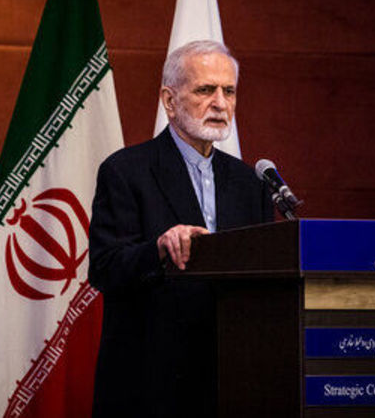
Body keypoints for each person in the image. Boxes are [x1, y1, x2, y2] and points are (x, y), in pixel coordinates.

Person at [88, 39, 274, 418]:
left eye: (229, 91)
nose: (220, 103)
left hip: (230, 382)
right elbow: (104, 269)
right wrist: (158, 248)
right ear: (169, 101)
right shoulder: (125, 171)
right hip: (150, 384)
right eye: (205, 90)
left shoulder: (250, 183)